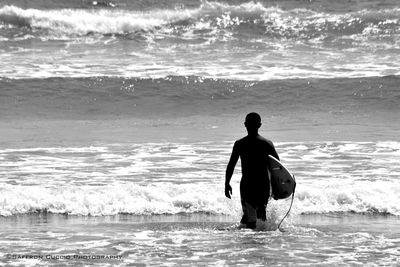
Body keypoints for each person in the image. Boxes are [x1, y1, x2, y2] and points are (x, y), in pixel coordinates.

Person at [225, 112, 279, 229]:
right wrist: (277, 186)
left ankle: (250, 240)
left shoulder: (240, 144)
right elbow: (277, 167)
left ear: (245, 125)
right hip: (263, 184)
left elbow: (231, 165)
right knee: (261, 214)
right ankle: (261, 239)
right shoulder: (267, 143)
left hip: (247, 184)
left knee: (249, 215)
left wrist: (227, 183)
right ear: (260, 125)